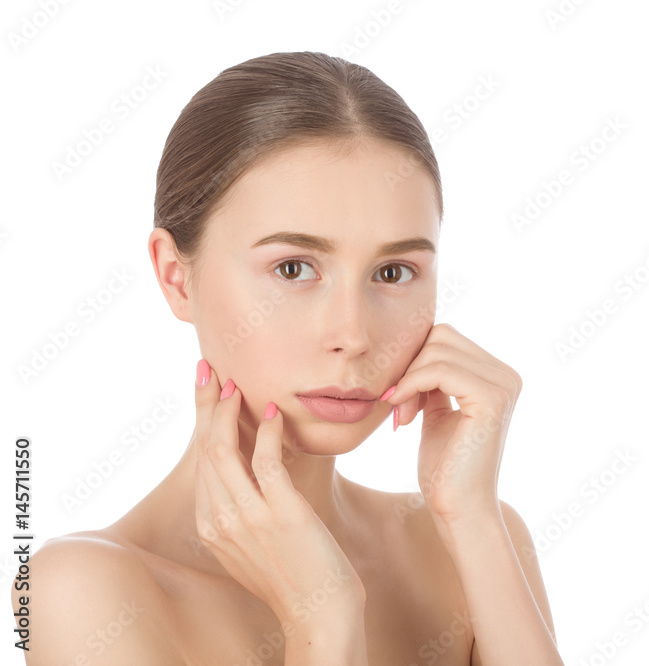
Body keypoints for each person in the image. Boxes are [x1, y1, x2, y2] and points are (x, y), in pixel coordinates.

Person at [14, 51, 562, 665]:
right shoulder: (81, 592)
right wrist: (322, 619)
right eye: (294, 268)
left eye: (393, 271)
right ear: (176, 278)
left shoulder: (468, 542)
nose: (353, 335)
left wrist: (473, 519)